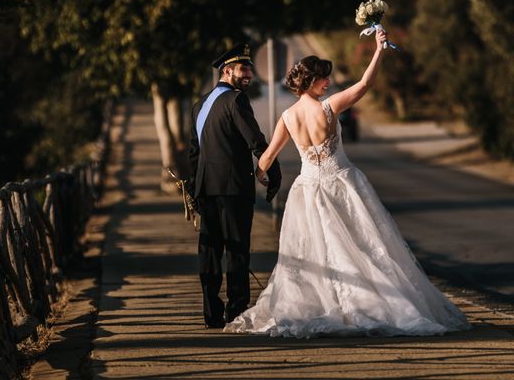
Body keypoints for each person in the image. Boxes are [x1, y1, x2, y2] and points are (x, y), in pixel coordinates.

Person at [224, 30, 470, 337]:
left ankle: (333, 304)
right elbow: (365, 84)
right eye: (322, 78)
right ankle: (363, 306)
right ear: (309, 80)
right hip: (341, 184)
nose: (327, 83)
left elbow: (267, 158)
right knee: (362, 246)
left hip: (308, 189)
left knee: (320, 252)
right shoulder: (327, 107)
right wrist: (379, 50)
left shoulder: (287, 116)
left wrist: (250, 181)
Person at [188, 43, 282, 329]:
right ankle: (236, 311)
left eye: (250, 68)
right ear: (226, 71)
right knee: (238, 251)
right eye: (244, 69)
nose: (249, 74)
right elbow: (255, 139)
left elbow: (194, 153)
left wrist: (195, 190)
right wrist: (272, 169)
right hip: (234, 191)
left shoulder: (199, 105)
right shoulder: (236, 100)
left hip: (207, 189)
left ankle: (211, 313)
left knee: (210, 252)